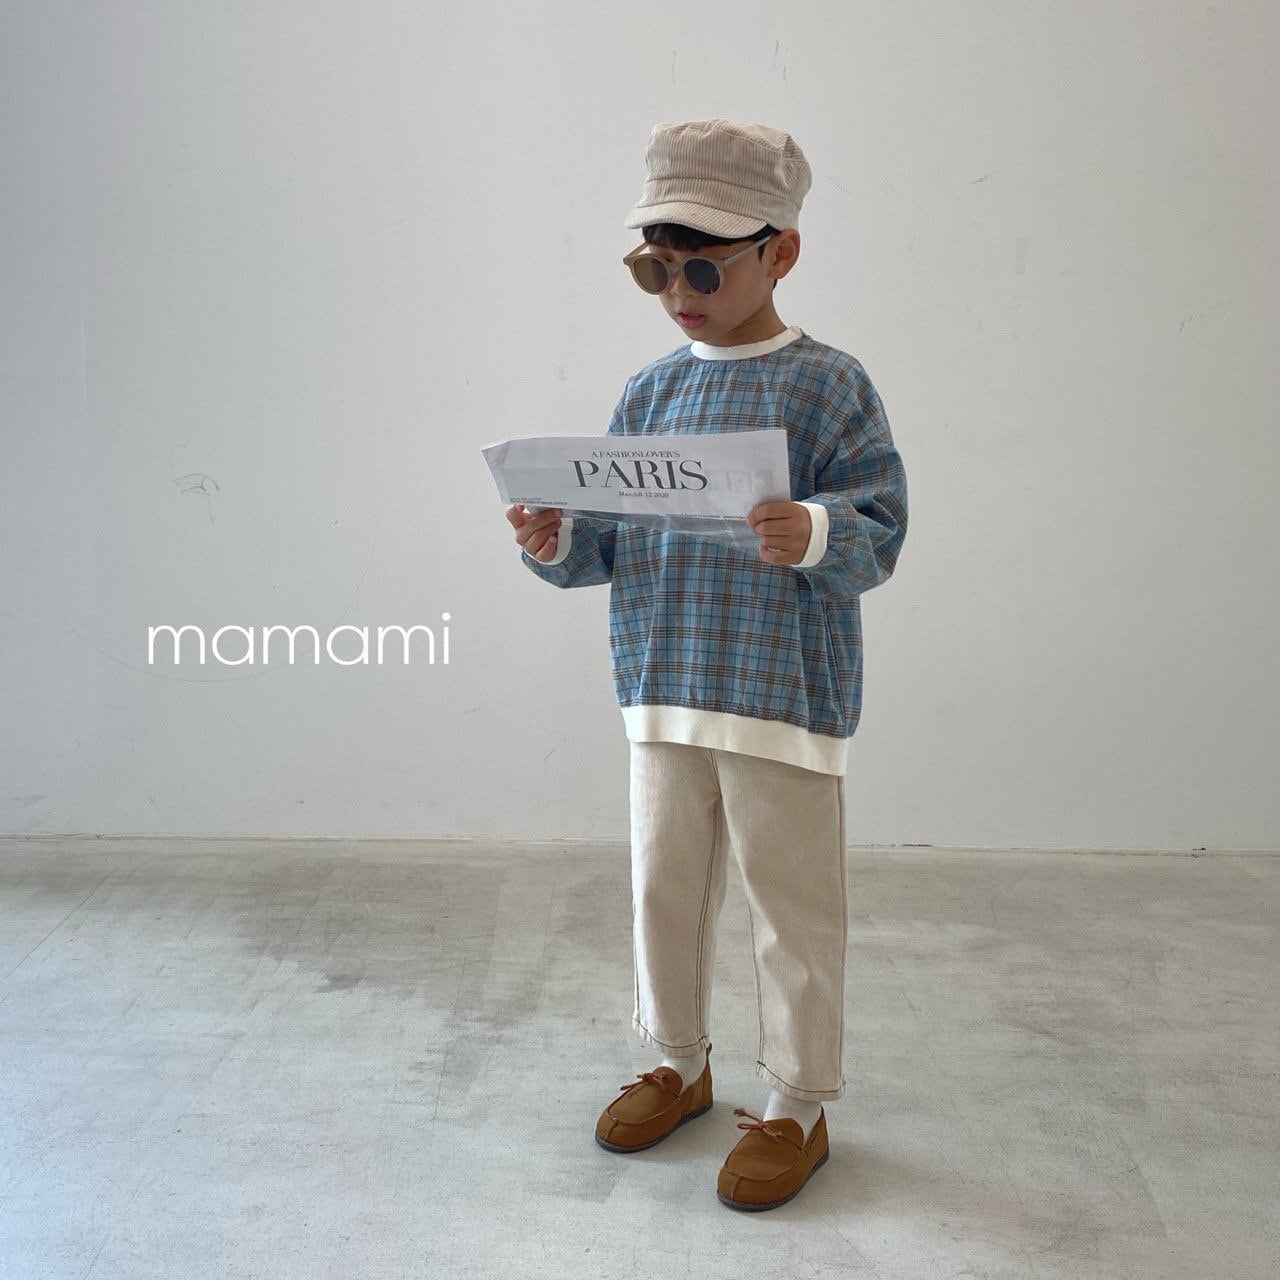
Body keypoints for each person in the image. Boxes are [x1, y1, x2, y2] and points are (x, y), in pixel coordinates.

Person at [504, 119, 908, 1211]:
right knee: (662, 887)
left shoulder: (828, 385)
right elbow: (607, 541)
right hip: (662, 680)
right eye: (655, 268)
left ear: (781, 251)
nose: (677, 290)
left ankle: (796, 1103)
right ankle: (676, 1061)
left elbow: (879, 526)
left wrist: (814, 530)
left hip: (781, 691)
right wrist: (554, 539)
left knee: (792, 905)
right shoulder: (647, 394)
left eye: (702, 266)